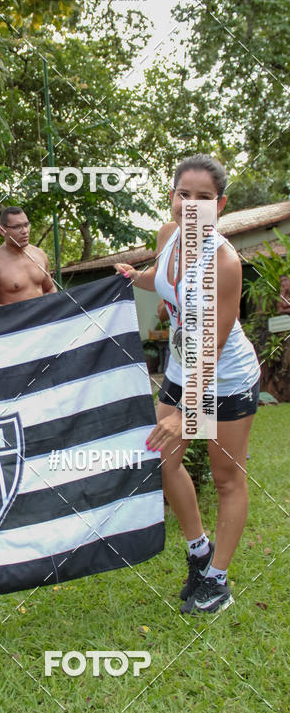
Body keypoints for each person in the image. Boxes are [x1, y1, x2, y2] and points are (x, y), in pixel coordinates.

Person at [115, 154, 260, 615]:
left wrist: (184, 413)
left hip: (225, 377)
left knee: (225, 477)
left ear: (219, 204)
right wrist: (134, 277)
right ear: (172, 196)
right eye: (184, 195)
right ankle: (198, 552)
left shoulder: (225, 261)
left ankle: (217, 581)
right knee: (161, 459)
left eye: (204, 198)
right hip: (182, 368)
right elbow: (161, 282)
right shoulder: (168, 236)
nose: (192, 205)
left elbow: (213, 348)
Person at [0, 207, 57, 309]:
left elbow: (50, 288)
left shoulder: (39, 254)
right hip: (16, 323)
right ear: (2, 231)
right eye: (17, 227)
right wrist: (24, 313)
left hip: (43, 321)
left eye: (26, 225)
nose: (24, 231)